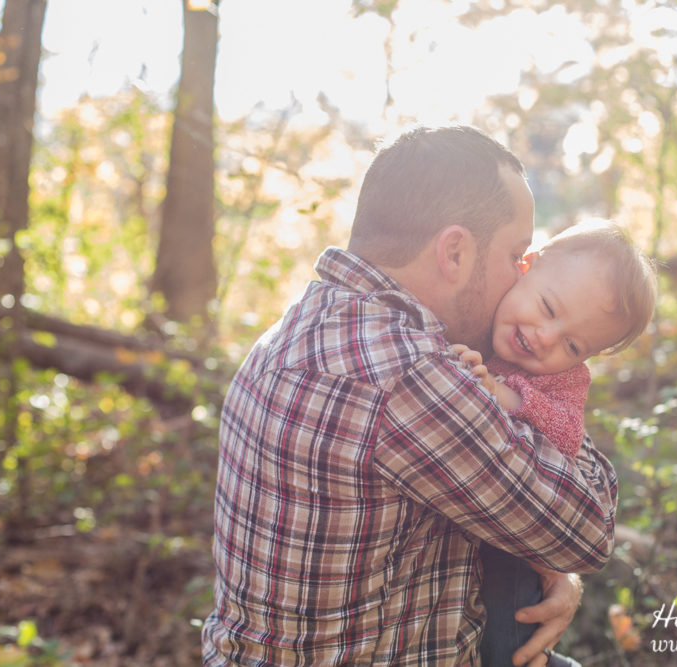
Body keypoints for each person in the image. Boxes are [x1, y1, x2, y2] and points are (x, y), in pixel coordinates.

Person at [201, 125, 619, 666]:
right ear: (454, 252)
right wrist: (554, 386)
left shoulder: (302, 325)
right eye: (517, 255)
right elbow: (589, 530)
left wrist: (545, 565)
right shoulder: (406, 377)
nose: (522, 277)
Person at [452, 222, 658, 667]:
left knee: (507, 630)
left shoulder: (565, 378)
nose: (545, 336)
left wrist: (506, 395)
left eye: (572, 343)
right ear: (524, 268)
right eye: (547, 307)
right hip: (456, 532)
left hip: (514, 542)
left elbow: (567, 430)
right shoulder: (473, 319)